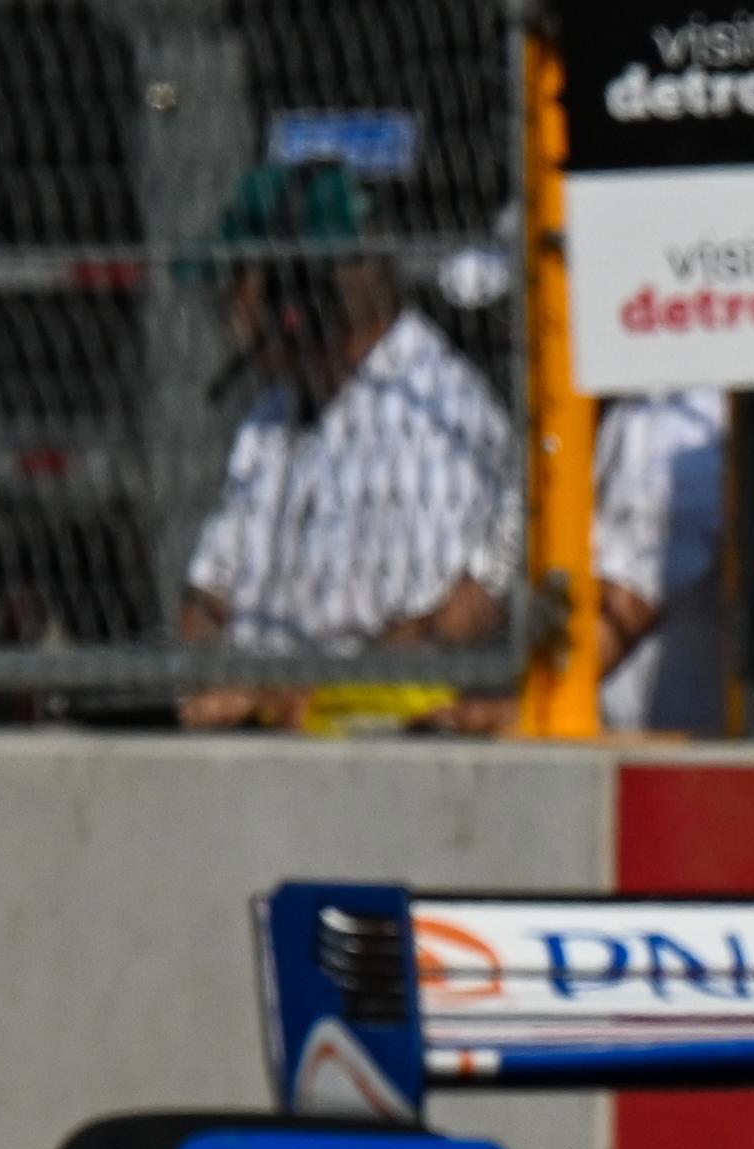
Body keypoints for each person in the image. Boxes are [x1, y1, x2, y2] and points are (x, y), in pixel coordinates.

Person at [176, 162, 520, 729]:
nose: (230, 319)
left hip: (368, 749)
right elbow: (206, 595)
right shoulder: (273, 412)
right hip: (260, 732)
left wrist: (283, 695)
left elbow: (436, 631)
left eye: (240, 284)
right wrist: (221, 677)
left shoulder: (429, 413)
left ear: (298, 301)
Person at [594, 386, 730, 736]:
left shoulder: (681, 419)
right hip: (642, 745)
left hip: (683, 758)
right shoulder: (636, 405)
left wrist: (523, 703)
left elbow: (630, 602)